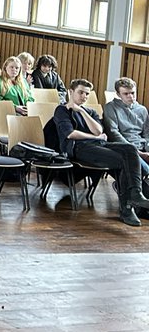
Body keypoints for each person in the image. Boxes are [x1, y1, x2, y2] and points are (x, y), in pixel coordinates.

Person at [54, 78, 149, 227]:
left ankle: (135, 194)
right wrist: (93, 135)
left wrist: (82, 111)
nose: (84, 97)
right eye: (81, 93)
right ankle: (127, 209)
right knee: (123, 161)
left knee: (129, 149)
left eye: (87, 94)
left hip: (99, 144)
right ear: (70, 92)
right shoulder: (62, 110)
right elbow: (70, 134)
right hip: (79, 148)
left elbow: (98, 130)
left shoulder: (90, 111)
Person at [104, 77, 149, 177]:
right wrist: (137, 152)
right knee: (144, 169)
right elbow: (113, 133)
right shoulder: (110, 107)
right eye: (126, 94)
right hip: (124, 147)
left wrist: (147, 150)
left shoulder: (142, 110)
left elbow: (146, 134)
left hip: (142, 146)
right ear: (118, 94)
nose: (130, 96)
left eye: (132, 93)